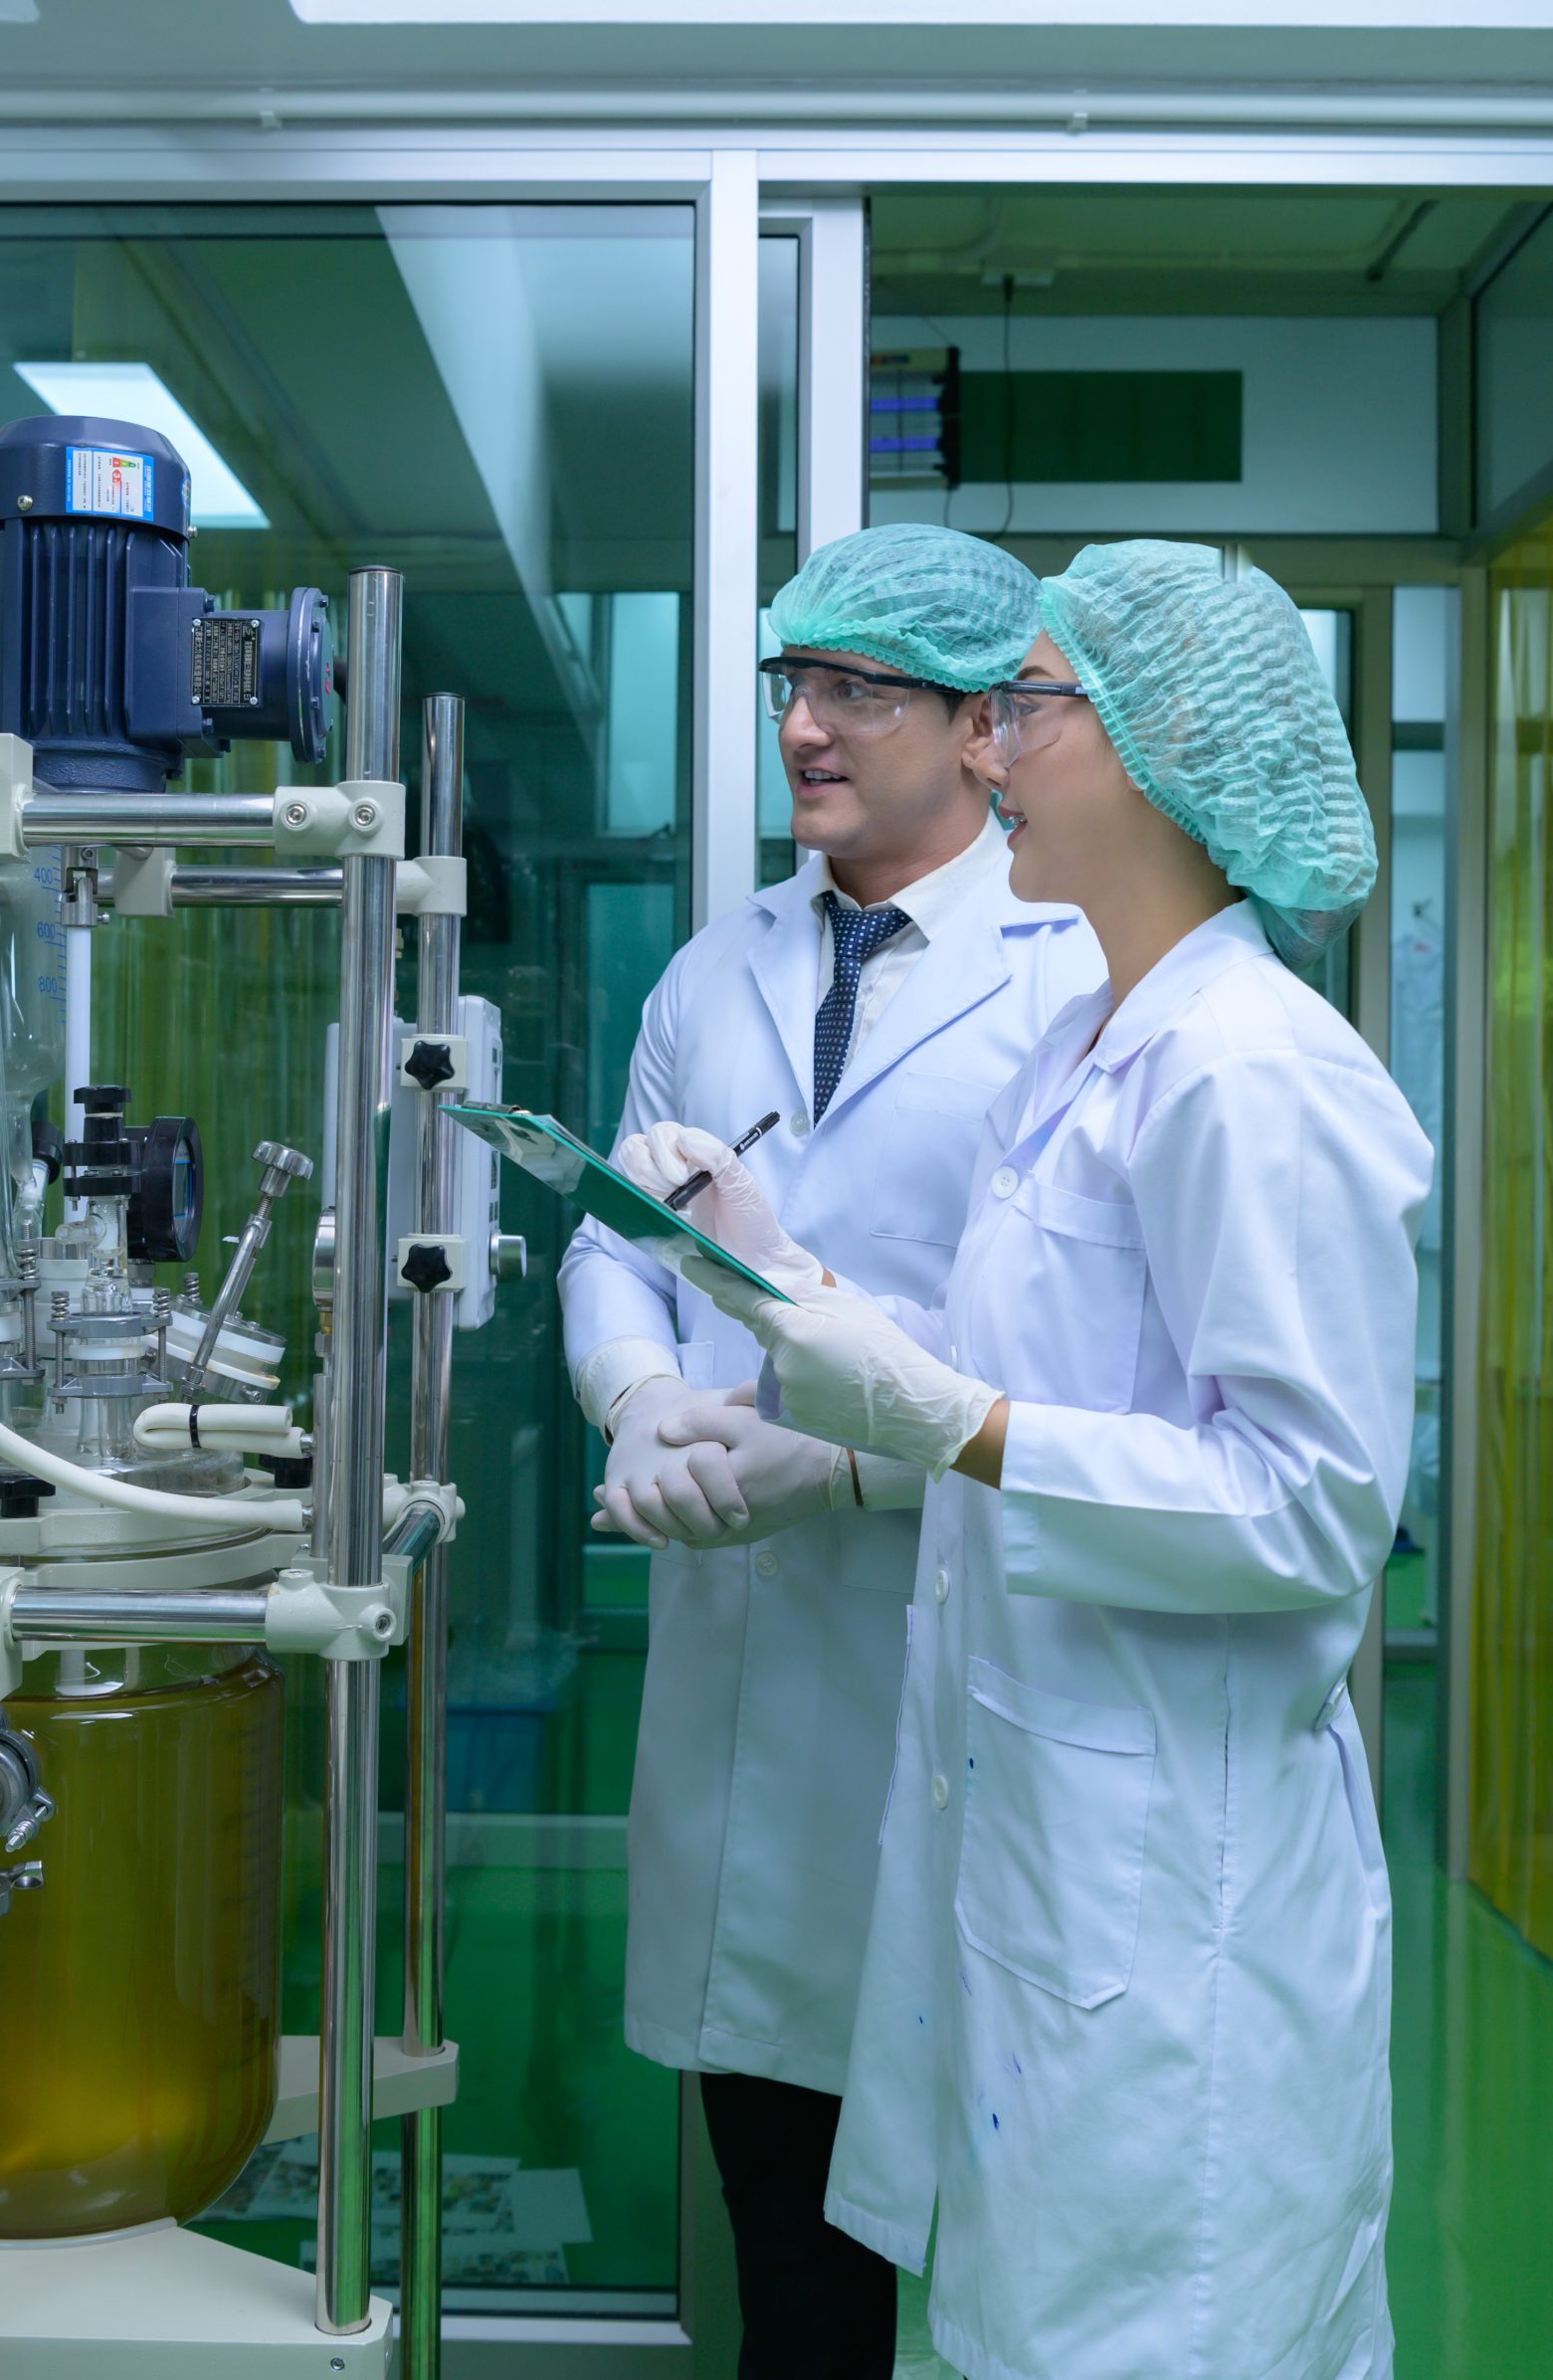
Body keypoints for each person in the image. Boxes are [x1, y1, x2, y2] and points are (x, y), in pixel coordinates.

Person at [630, 541, 1432, 2380]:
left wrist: (955, 1428)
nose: (993, 748)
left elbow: (1315, 1507)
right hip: (1038, 1847)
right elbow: (1028, 1359)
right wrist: (784, 1274)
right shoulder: (1094, 1047)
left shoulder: (1252, 1071)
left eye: (1030, 708)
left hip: (1174, 1883)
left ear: (1153, 756)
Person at [558, 524, 1102, 2380]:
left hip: (964, 1657)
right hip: (740, 1673)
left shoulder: (1075, 976)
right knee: (788, 2250)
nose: (807, 727)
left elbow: (1079, 1347)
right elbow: (613, 1233)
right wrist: (636, 1398)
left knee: (1016, 2252)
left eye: (860, 690)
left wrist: (856, 1464)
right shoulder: (717, 969)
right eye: (795, 684)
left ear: (983, 731)